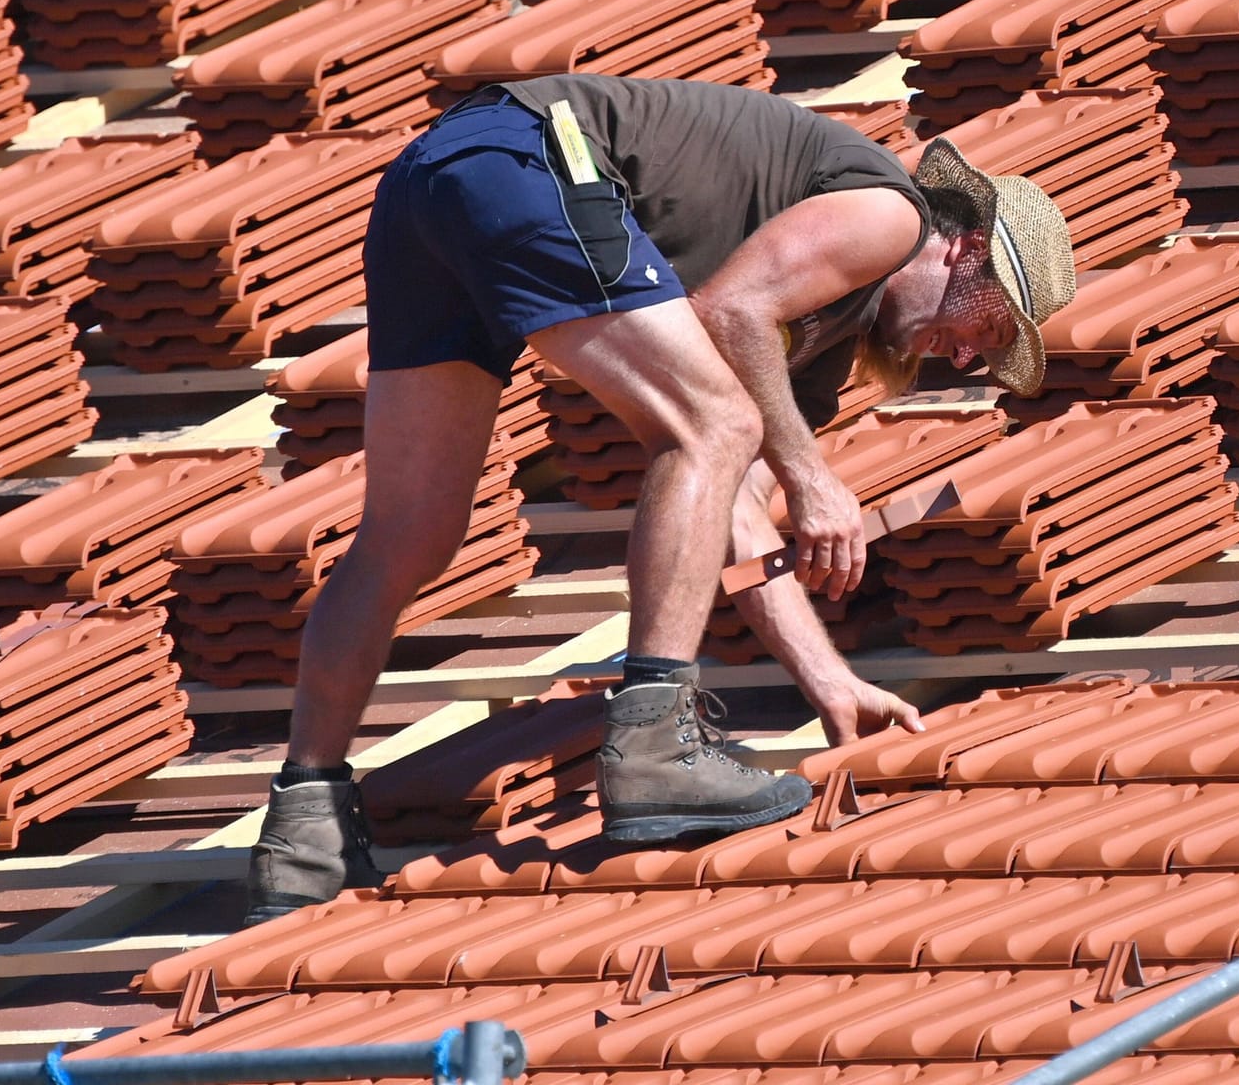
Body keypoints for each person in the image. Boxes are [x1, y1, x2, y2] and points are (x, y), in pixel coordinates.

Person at [243, 75, 1078, 925]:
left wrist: (828, 681)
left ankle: (303, 822)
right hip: (525, 153)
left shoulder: (821, 346)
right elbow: (731, 312)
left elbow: (732, 509)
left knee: (411, 533)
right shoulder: (889, 216)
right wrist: (811, 473)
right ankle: (650, 743)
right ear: (965, 248)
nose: (971, 357)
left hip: (434, 187)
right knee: (713, 425)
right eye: (995, 324)